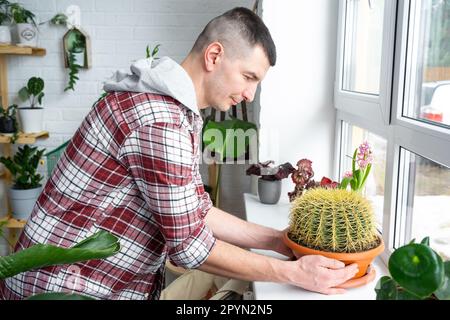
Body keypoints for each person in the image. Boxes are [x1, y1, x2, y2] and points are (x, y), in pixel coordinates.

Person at [0, 7, 358, 300]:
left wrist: (278, 241)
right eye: (248, 77)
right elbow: (189, 246)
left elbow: (195, 211)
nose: (249, 94)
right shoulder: (161, 123)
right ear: (214, 55)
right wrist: (291, 272)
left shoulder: (169, 106)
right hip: (67, 289)